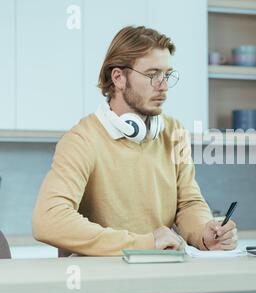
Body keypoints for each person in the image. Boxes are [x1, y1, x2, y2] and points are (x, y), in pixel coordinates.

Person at [32, 26, 238, 256]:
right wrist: (143, 244)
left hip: (159, 274)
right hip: (100, 283)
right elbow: (48, 220)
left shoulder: (174, 131)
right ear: (119, 77)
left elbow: (188, 203)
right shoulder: (82, 139)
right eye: (152, 75)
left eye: (167, 74)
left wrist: (204, 231)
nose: (164, 86)